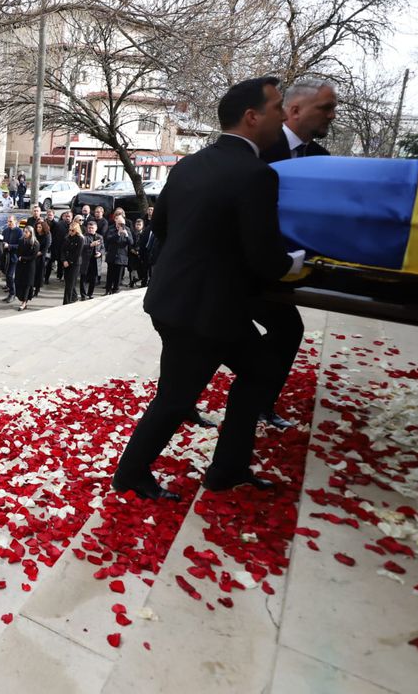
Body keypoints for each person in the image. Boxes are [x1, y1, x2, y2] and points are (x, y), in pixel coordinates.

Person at [111, 76, 297, 501]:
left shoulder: (189, 164)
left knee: (257, 369)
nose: (284, 116)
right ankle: (132, 474)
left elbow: (162, 226)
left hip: (187, 301)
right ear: (252, 117)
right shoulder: (256, 175)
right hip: (204, 311)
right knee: (176, 398)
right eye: (277, 108)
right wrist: (296, 263)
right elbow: (266, 260)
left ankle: (228, 468)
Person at [252, 79, 337, 430]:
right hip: (247, 264)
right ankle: (251, 400)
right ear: (295, 110)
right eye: (326, 108)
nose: (333, 115)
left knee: (286, 331)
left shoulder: (322, 160)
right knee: (280, 331)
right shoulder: (258, 151)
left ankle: (260, 402)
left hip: (289, 267)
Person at [104, 214, 133, 295]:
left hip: (121, 257)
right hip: (112, 255)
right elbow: (108, 239)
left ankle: (115, 291)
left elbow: (131, 242)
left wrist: (127, 235)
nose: (120, 225)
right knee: (109, 275)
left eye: (122, 224)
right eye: (119, 223)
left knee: (118, 276)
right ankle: (107, 290)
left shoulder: (127, 229)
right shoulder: (111, 229)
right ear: (116, 222)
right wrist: (118, 234)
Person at [61, 221, 87, 305]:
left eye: (72, 230)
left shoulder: (80, 239)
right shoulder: (67, 237)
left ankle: (66, 302)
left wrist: (69, 261)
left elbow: (77, 253)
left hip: (75, 264)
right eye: (69, 230)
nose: (70, 232)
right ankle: (74, 297)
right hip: (66, 263)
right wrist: (64, 260)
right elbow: (63, 250)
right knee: (68, 282)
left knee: (70, 284)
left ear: (76, 230)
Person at [14, 226, 40, 310]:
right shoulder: (21, 241)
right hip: (20, 265)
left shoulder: (35, 243)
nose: (24, 233)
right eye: (24, 232)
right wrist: (19, 257)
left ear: (31, 233)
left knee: (27, 284)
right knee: (18, 282)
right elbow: (18, 252)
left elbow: (33, 256)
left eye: (26, 232)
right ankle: (22, 299)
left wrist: (23, 258)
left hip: (29, 266)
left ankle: (24, 302)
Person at [0, 216, 22, 303]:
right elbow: (2, 241)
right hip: (6, 257)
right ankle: (10, 293)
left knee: (10, 276)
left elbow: (20, 245)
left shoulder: (19, 231)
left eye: (11, 221)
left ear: (15, 222)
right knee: (7, 276)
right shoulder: (5, 231)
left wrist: (9, 246)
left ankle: (13, 294)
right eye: (8, 221)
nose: (9, 223)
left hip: (14, 257)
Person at [81, 220, 102, 299]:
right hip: (86, 260)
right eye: (89, 228)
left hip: (95, 260)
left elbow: (103, 248)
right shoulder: (84, 236)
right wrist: (90, 245)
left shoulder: (99, 237)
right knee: (84, 278)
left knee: (93, 279)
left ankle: (90, 294)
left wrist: (100, 253)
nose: (90, 229)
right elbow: (82, 247)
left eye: (92, 228)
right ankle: (83, 295)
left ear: (96, 228)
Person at [32, 219, 51, 298]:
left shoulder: (47, 235)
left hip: (41, 257)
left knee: (39, 274)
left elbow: (46, 248)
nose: (38, 229)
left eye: (40, 227)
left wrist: (38, 253)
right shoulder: (35, 234)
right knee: (33, 273)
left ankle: (37, 290)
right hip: (34, 255)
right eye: (37, 227)